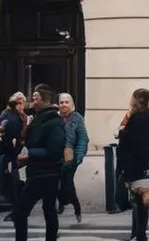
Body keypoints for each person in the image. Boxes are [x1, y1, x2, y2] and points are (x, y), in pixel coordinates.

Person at [11, 84, 64, 241]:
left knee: (21, 212)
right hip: (40, 171)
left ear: (45, 100)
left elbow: (54, 151)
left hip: (45, 173)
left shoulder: (54, 121)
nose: (32, 101)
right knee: (49, 210)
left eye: (35, 98)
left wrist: (29, 155)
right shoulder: (39, 118)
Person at [117, 89, 149, 241]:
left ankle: (140, 234)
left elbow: (134, 143)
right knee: (140, 203)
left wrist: (123, 134)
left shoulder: (139, 119)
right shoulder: (142, 117)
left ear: (136, 99)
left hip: (135, 167)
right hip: (137, 165)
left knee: (140, 203)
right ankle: (138, 234)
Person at [56, 93, 87, 224]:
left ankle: (74, 206)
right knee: (59, 182)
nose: (64, 105)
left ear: (71, 104)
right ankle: (65, 201)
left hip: (71, 156)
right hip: (56, 156)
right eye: (61, 102)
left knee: (67, 181)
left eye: (66, 102)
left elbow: (82, 138)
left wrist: (79, 157)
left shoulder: (77, 118)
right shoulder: (54, 118)